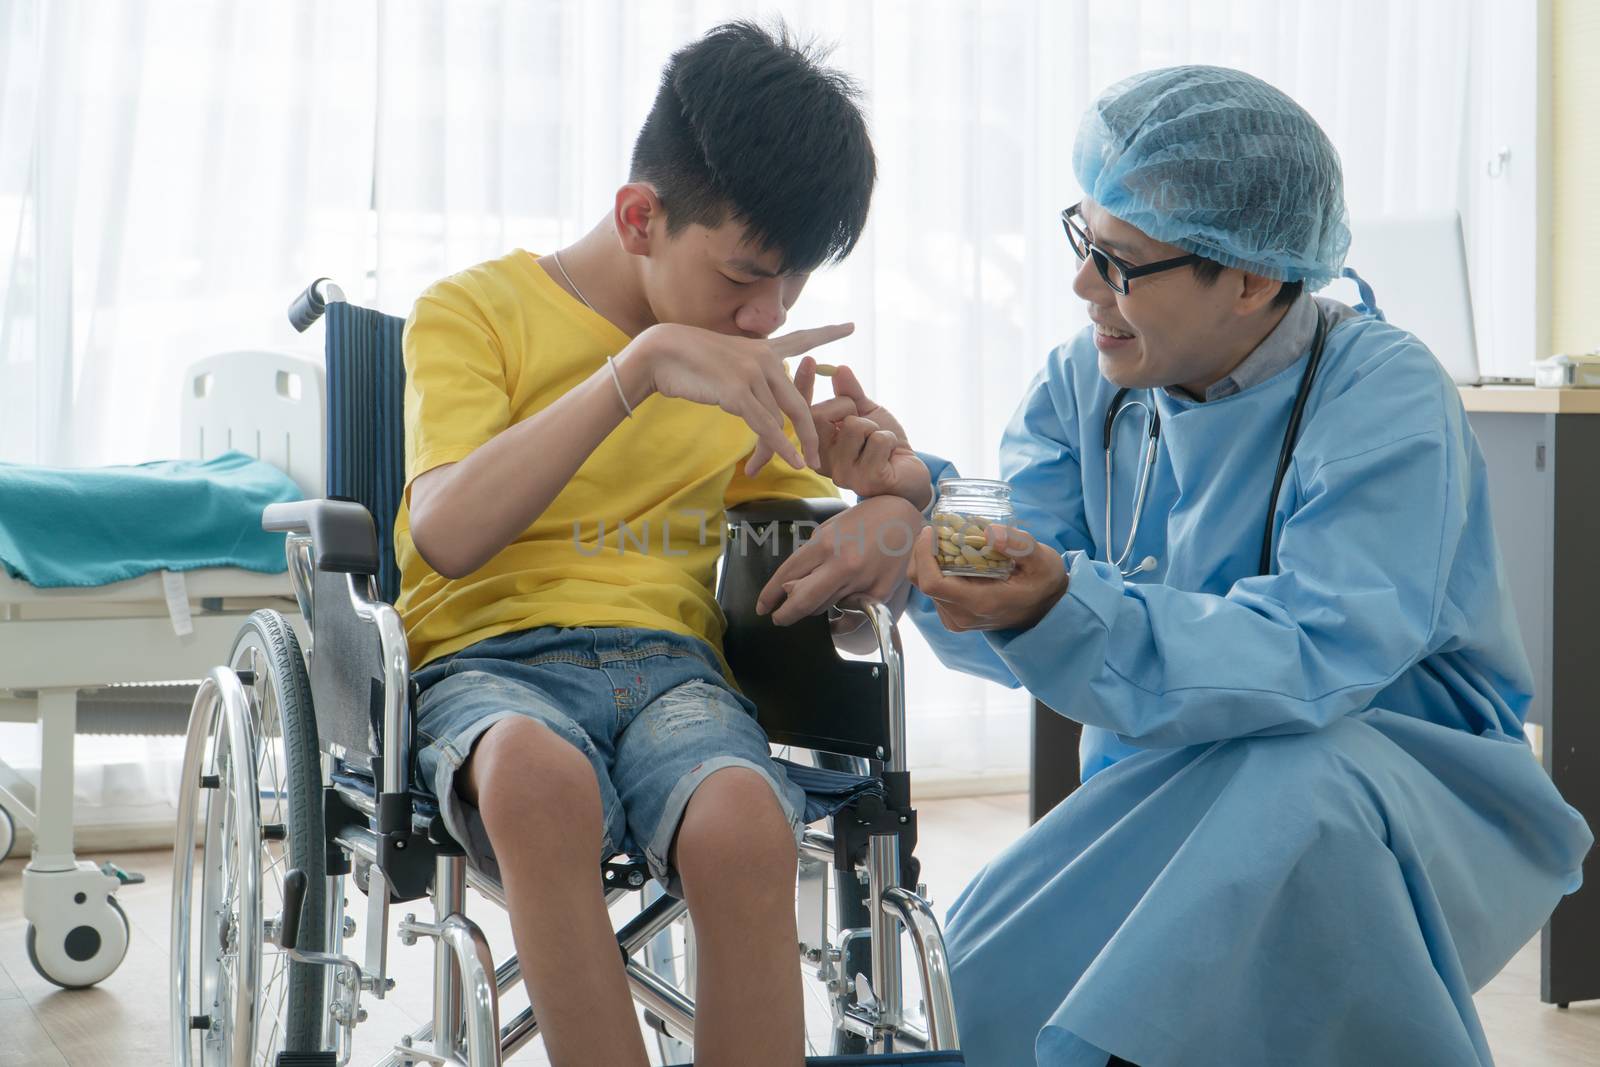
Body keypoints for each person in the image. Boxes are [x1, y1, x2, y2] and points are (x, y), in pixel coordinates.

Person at [758, 65, 1593, 1066]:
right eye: (1084, 240)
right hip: (1167, 783)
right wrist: (923, 506)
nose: (1080, 287)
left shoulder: (1384, 395)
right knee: (981, 996)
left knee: (1293, 792)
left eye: (1117, 262)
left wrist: (1064, 601)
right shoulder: (1087, 381)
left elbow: (1318, 656)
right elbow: (1024, 599)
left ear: (1247, 276)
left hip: (1410, 781)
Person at [394, 22, 875, 1066]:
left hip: (672, 672)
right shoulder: (473, 314)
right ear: (639, 217)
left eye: (789, 283)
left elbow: (826, 528)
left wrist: (897, 492)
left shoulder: (745, 362)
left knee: (748, 823)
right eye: (744, 275)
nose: (765, 315)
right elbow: (448, 531)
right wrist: (639, 368)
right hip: (488, 663)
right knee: (532, 775)